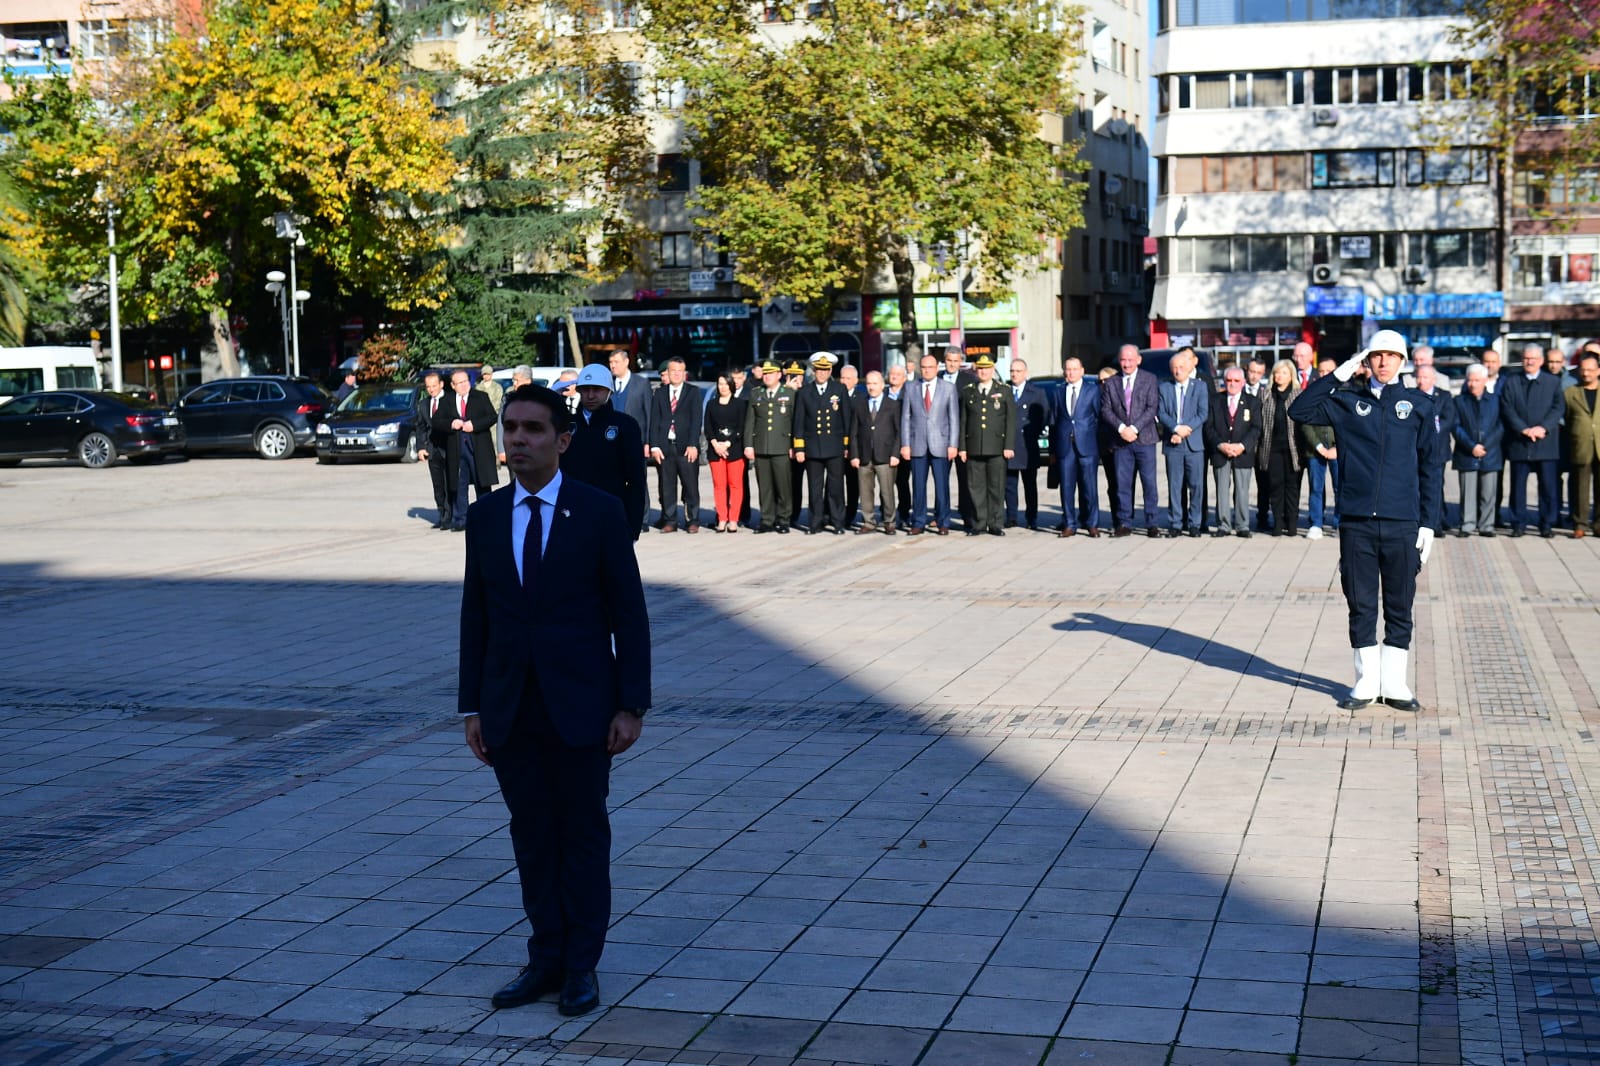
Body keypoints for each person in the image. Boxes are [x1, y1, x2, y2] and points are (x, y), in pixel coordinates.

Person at [458, 383, 649, 1019]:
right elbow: (476, 615)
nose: (518, 439)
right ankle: (544, 957)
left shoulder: (599, 512)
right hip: (510, 708)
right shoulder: (486, 515)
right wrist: (472, 706)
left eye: (534, 429)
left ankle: (581, 966)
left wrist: (631, 704)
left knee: (582, 836)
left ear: (563, 440)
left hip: (583, 708)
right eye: (510, 428)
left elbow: (629, 614)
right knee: (532, 837)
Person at [1290, 330, 1442, 712]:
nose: (1384, 362)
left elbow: (1431, 468)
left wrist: (1428, 523)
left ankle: (1394, 683)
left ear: (1403, 361)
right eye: (1377, 355)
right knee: (1360, 603)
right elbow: (1300, 410)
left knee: (1399, 604)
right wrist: (1338, 375)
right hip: (1357, 520)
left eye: (1392, 356)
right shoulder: (1347, 401)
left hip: (1402, 521)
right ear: (1366, 360)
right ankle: (1366, 682)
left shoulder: (1419, 405)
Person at [560, 364, 646, 540]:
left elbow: (636, 480)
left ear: (609, 391)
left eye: (597, 389)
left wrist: (632, 527)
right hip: (572, 515)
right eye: (586, 389)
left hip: (610, 514)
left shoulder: (625, 425)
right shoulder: (566, 425)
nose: (591, 395)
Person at [1500, 343, 1565, 537]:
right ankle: (1518, 523)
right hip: (1520, 442)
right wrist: (1523, 429)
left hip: (1545, 442)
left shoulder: (1552, 382)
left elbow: (1558, 407)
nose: (1529, 362)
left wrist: (1543, 427)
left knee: (1548, 487)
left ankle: (1547, 523)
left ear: (1541, 361)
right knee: (1518, 487)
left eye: (1533, 358)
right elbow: (1507, 407)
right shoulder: (1512, 381)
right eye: (1526, 358)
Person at [1101, 343, 1160, 537]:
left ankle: (1152, 523)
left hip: (1145, 439)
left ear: (1138, 360)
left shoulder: (1149, 379)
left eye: (1130, 359)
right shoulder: (1111, 382)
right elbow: (1106, 410)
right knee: (1122, 484)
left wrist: (1134, 429)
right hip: (1120, 441)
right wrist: (1121, 429)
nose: (1126, 364)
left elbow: (1152, 407)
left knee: (1149, 483)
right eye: (1123, 360)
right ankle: (1124, 522)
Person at [793, 352, 854, 533]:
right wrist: (799, 448)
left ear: (830, 371)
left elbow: (846, 419)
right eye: (819, 370)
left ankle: (837, 522)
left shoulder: (839, 389)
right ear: (814, 371)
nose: (822, 373)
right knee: (815, 488)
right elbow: (799, 422)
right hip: (813, 447)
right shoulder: (804, 392)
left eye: (825, 370)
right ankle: (815, 523)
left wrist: (846, 445)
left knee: (836, 488)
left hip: (834, 447)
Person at [901, 352, 960, 535]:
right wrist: (905, 444)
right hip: (917, 444)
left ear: (937, 368)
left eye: (930, 367)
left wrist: (953, 444)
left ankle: (943, 521)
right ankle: (918, 522)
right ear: (920, 369)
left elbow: (954, 419)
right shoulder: (910, 387)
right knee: (918, 486)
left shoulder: (948, 388)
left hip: (941, 444)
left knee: (942, 487)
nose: (927, 370)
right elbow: (906, 417)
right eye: (924, 367)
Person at [957, 354, 1016, 536]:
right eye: (980, 368)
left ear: (993, 369)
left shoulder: (1004, 390)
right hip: (974, 446)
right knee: (976, 488)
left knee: (996, 487)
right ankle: (978, 523)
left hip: (997, 447)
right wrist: (962, 448)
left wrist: (1008, 445)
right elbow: (963, 421)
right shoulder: (968, 391)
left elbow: (1010, 421)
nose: (983, 372)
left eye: (987, 368)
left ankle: (995, 523)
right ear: (976, 370)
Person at [435, 369, 500, 531]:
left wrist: (474, 425)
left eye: (466, 381)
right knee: (459, 484)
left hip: (478, 447)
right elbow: (436, 421)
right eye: (460, 383)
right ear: (453, 385)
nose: (464, 385)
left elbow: (492, 417)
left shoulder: (481, 397)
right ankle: (460, 519)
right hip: (457, 449)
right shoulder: (447, 400)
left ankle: (486, 517)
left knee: (482, 483)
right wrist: (451, 424)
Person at [1157, 347, 1207, 537]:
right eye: (1175, 368)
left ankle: (1195, 524)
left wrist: (1185, 430)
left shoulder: (1200, 387)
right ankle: (1176, 523)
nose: (1178, 371)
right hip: (1173, 444)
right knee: (1175, 486)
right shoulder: (1164, 387)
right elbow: (1161, 413)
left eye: (1181, 367)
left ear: (1189, 367)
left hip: (1194, 445)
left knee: (1196, 486)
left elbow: (1202, 413)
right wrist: (1176, 428)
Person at [648, 358, 703, 533]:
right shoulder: (660, 393)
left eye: (680, 371)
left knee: (690, 485)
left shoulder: (693, 392)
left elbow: (696, 420)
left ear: (684, 373)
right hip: (665, 446)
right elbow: (654, 420)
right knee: (667, 486)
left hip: (686, 446)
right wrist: (654, 446)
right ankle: (670, 520)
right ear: (668, 373)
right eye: (673, 371)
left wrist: (693, 444)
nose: (677, 374)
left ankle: (692, 520)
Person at [1206, 365, 1260, 537]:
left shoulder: (1252, 402)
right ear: (1224, 381)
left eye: (1236, 380)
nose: (1232, 383)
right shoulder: (1215, 400)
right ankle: (1223, 525)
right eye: (1229, 380)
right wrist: (1220, 445)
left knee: (1242, 490)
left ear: (1243, 382)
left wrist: (1242, 446)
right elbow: (1208, 427)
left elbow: (1256, 428)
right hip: (1220, 452)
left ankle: (1242, 525)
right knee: (1222, 490)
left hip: (1242, 453)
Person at [1051, 356, 1101, 537]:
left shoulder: (1092, 390)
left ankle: (1092, 523)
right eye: (1068, 369)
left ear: (1082, 371)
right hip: (1065, 447)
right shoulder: (1058, 392)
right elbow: (1054, 421)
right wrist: (1053, 450)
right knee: (1066, 487)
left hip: (1087, 445)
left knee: (1089, 487)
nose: (1071, 372)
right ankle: (1069, 523)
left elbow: (1099, 417)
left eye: (1074, 369)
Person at [744, 360, 795, 534]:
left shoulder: (789, 393)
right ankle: (767, 520)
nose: (767, 376)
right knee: (764, 487)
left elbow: (795, 421)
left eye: (771, 373)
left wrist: (795, 445)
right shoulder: (756, 393)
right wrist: (748, 445)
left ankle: (784, 519)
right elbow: (750, 421)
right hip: (761, 447)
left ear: (779, 375)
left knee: (783, 485)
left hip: (782, 446)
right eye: (765, 373)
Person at [1452, 363, 1502, 538]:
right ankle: (1467, 524)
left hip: (1490, 452)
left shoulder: (1496, 400)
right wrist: (1471, 446)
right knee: (1468, 492)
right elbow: (1456, 426)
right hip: (1467, 452)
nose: (1473, 384)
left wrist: (1485, 445)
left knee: (1489, 492)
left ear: (1485, 380)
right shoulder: (1459, 401)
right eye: (1470, 380)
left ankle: (1487, 525)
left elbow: (1501, 425)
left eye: (1477, 380)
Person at [847, 370, 901, 533]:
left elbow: (899, 432)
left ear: (882, 385)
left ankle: (889, 521)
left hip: (885, 455)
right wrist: (854, 455)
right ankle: (869, 522)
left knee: (887, 491)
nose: (871, 387)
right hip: (864, 455)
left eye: (875, 383)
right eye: (869, 383)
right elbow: (854, 432)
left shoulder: (893, 405)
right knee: (865, 492)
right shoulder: (860, 404)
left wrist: (895, 454)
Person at [1258, 360, 1303, 537]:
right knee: (1275, 486)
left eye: (1284, 373)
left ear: (1291, 375)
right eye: (1277, 372)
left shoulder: (1298, 395)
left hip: (1293, 448)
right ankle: (1277, 522)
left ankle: (1291, 523)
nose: (1279, 376)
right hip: (1272, 447)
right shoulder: (1266, 394)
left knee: (1292, 486)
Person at [1005, 359, 1048, 530]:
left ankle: (1032, 517)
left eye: (1018, 371)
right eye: (1012, 371)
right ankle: (1011, 517)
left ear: (1025, 373)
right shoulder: (1004, 391)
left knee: (1030, 484)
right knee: (1009, 484)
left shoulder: (1036, 393)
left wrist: (1033, 433)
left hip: (1027, 445)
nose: (1014, 374)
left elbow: (1044, 416)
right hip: (1009, 444)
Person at [1301, 356, 1340, 540]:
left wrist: (1337, 448)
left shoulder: (1344, 394)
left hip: (1338, 450)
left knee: (1341, 487)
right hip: (1315, 449)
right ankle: (1316, 523)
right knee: (1316, 488)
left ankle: (1339, 522)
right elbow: (1305, 422)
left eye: (1329, 371)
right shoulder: (1311, 394)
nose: (1324, 374)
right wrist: (1318, 446)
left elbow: (1349, 424)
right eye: (1321, 371)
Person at [1414, 364, 1455, 534]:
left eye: (1425, 377)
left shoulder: (1444, 396)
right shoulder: (1412, 395)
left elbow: (1448, 419)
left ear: (1433, 379)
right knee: (1418, 487)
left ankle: (1436, 522)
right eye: (1419, 377)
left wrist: (1431, 429)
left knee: (1435, 486)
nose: (1421, 381)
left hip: (1438, 450)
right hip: (1417, 450)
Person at [941, 345, 978, 529]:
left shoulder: (969, 380)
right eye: (949, 360)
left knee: (965, 480)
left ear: (960, 362)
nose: (952, 364)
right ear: (944, 361)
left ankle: (967, 516)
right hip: (941, 438)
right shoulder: (937, 379)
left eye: (956, 361)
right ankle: (942, 515)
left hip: (963, 438)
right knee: (941, 480)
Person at [704, 374, 747, 533]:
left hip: (734, 449)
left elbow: (741, 427)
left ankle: (733, 519)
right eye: (720, 383)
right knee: (719, 485)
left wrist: (728, 443)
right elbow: (708, 427)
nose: (723, 387)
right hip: (715, 450)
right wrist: (716, 444)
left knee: (735, 485)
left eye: (726, 384)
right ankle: (722, 518)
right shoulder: (711, 404)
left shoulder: (739, 404)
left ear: (731, 385)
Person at [1566, 351, 1600, 538]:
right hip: (1580, 445)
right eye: (1583, 370)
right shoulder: (1571, 393)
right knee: (1580, 487)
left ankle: (1598, 523)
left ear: (1598, 371)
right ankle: (1580, 523)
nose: (1586, 373)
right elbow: (1567, 418)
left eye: (1590, 370)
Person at [414, 371, 453, 529]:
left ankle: (449, 516)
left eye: (434, 386)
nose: (431, 389)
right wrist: (421, 448)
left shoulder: (450, 400)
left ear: (441, 385)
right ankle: (441, 514)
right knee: (438, 485)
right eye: (428, 387)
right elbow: (421, 427)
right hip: (432, 450)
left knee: (449, 484)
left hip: (448, 448)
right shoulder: (424, 404)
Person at [1245, 356, 1273, 531]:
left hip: (1262, 446)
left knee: (1264, 484)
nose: (1254, 376)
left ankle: (1262, 517)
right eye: (1252, 371)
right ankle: (1240, 517)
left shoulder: (1267, 392)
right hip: (1242, 445)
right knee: (1241, 484)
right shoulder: (1238, 387)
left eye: (1258, 373)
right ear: (1246, 370)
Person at [886, 364, 913, 529]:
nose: (894, 376)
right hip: (885, 446)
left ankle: (904, 513)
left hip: (904, 445)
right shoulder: (882, 393)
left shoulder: (910, 393)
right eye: (892, 374)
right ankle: (886, 513)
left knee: (902, 482)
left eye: (898, 374)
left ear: (904, 378)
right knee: (885, 483)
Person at [499, 365, 535, 465]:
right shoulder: (508, 397)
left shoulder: (538, 397)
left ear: (527, 381)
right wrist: (502, 450)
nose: (514, 383)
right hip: (513, 446)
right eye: (513, 380)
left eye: (517, 380)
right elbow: (501, 424)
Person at [479, 363, 506, 466]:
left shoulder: (497, 387)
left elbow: (498, 402)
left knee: (495, 440)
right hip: (482, 418)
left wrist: (491, 412)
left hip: (494, 417)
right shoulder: (479, 387)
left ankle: (496, 462)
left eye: (488, 374)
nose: (486, 376)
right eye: (484, 374)